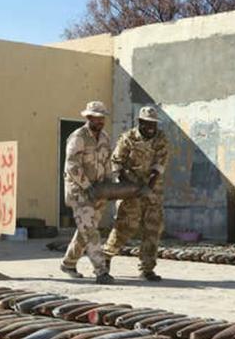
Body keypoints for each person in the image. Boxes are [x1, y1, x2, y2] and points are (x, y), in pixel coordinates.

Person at [103, 105, 169, 281]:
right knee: (125, 227)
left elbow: (159, 166)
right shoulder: (128, 138)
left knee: (153, 229)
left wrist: (148, 188)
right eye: (147, 124)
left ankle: (147, 269)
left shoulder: (160, 139)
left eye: (154, 124)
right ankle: (105, 257)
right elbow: (116, 163)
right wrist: (129, 186)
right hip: (131, 190)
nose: (151, 128)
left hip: (153, 191)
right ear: (140, 122)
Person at [60, 100, 114, 284]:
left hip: (98, 191)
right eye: (97, 118)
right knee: (90, 230)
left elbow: (107, 163)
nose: (100, 122)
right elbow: (71, 165)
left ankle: (68, 263)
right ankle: (101, 271)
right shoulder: (78, 137)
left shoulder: (105, 137)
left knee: (85, 229)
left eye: (102, 118)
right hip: (79, 191)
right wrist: (86, 186)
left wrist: (109, 185)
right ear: (89, 117)